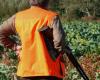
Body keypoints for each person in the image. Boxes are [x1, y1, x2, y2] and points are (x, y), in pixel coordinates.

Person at [0, 0, 66, 80]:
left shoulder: (18, 17)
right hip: (49, 70)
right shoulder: (52, 17)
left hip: (26, 71)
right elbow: (59, 43)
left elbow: (1, 33)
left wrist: (15, 47)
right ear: (46, 2)